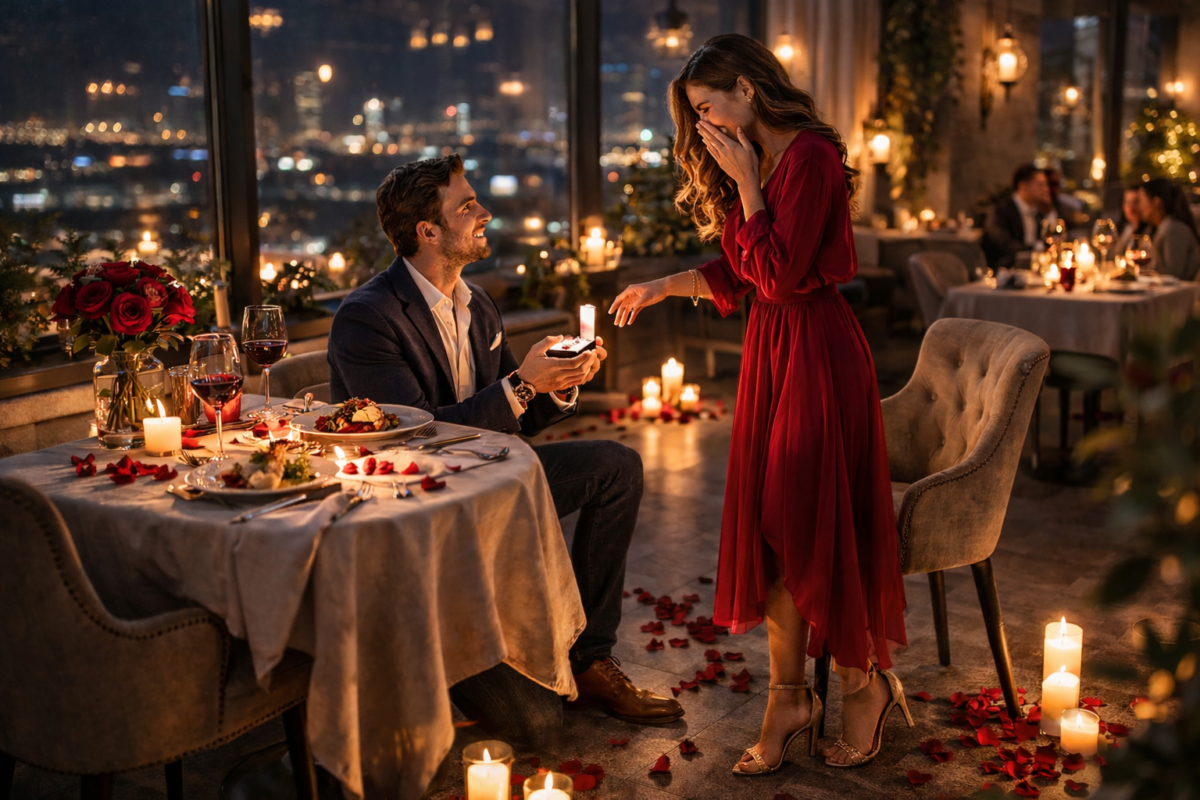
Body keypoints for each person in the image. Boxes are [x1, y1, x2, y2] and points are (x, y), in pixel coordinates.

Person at [609, 34, 909, 774]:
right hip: (773, 354)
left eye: (709, 107)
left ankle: (860, 685)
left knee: (809, 520)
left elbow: (775, 276)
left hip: (817, 354)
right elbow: (738, 268)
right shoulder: (759, 159)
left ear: (746, 88)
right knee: (773, 531)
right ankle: (788, 695)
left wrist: (745, 182)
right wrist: (660, 286)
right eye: (697, 115)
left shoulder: (805, 156)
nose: (705, 126)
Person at [327, 154, 684, 730]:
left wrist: (558, 383)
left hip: (489, 480)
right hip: (422, 508)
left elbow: (522, 414)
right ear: (427, 231)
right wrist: (522, 384)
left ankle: (589, 658)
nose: (484, 213)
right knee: (537, 725)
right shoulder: (367, 318)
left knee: (615, 466)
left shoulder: (478, 303)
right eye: (467, 206)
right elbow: (417, 441)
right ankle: (432, 661)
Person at [982, 164, 1056, 268]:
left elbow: (1051, 238)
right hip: (1005, 273)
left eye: (1046, 185)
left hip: (1034, 272)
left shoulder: (1038, 214)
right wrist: (1035, 248)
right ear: (1023, 186)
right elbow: (1003, 244)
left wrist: (1049, 209)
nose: (1046, 189)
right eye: (1040, 185)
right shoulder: (1001, 211)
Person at [1138, 178, 1200, 281]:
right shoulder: (1162, 228)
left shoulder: (1175, 230)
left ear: (1157, 203)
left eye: (1141, 201)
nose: (1139, 207)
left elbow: (1172, 276)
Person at [1113, 185, 1150, 256]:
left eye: (1135, 202)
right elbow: (1114, 255)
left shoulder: (1150, 232)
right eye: (1127, 202)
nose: (1131, 207)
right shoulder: (1126, 229)